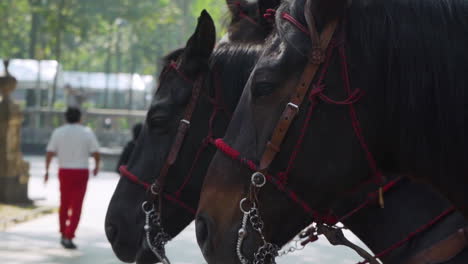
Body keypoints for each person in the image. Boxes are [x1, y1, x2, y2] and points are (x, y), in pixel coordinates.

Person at [44, 107, 100, 249]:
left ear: (66, 118)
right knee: (77, 206)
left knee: (64, 203)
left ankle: (63, 232)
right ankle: (69, 235)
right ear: (80, 118)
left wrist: (46, 170)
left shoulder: (58, 132)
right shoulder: (87, 132)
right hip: (81, 171)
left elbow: (50, 152)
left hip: (64, 170)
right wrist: (96, 166)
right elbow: (96, 152)